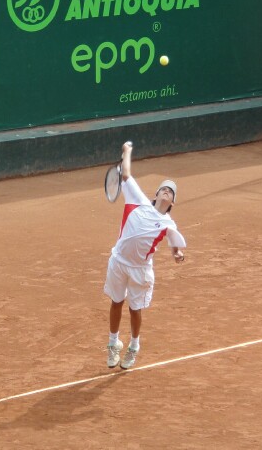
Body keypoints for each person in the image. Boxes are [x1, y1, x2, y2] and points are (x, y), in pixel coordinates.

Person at [104, 141, 186, 370]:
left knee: (134, 309)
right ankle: (113, 344)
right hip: (119, 261)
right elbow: (127, 173)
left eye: (171, 192)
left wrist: (177, 253)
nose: (166, 192)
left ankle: (134, 347)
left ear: (172, 202)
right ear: (156, 194)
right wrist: (127, 152)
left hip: (140, 270)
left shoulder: (169, 223)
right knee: (116, 302)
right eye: (164, 189)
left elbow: (174, 243)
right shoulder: (137, 200)